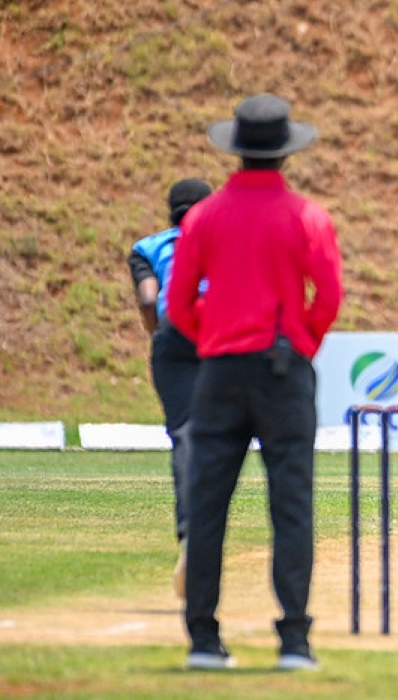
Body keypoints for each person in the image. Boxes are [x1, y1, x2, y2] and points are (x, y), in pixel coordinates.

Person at [168, 94, 344, 671]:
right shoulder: (306, 216)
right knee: (291, 507)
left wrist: (212, 341)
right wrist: (302, 342)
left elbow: (179, 301)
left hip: (220, 371)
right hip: (282, 368)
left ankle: (203, 639)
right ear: (285, 154)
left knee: (208, 504)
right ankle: (294, 640)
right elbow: (329, 295)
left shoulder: (204, 216)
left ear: (238, 150)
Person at [128, 177, 213, 599]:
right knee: (222, 440)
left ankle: (189, 538)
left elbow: (147, 301)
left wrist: (159, 337)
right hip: (219, 334)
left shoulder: (149, 247)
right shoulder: (223, 241)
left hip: (173, 338)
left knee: (185, 437)